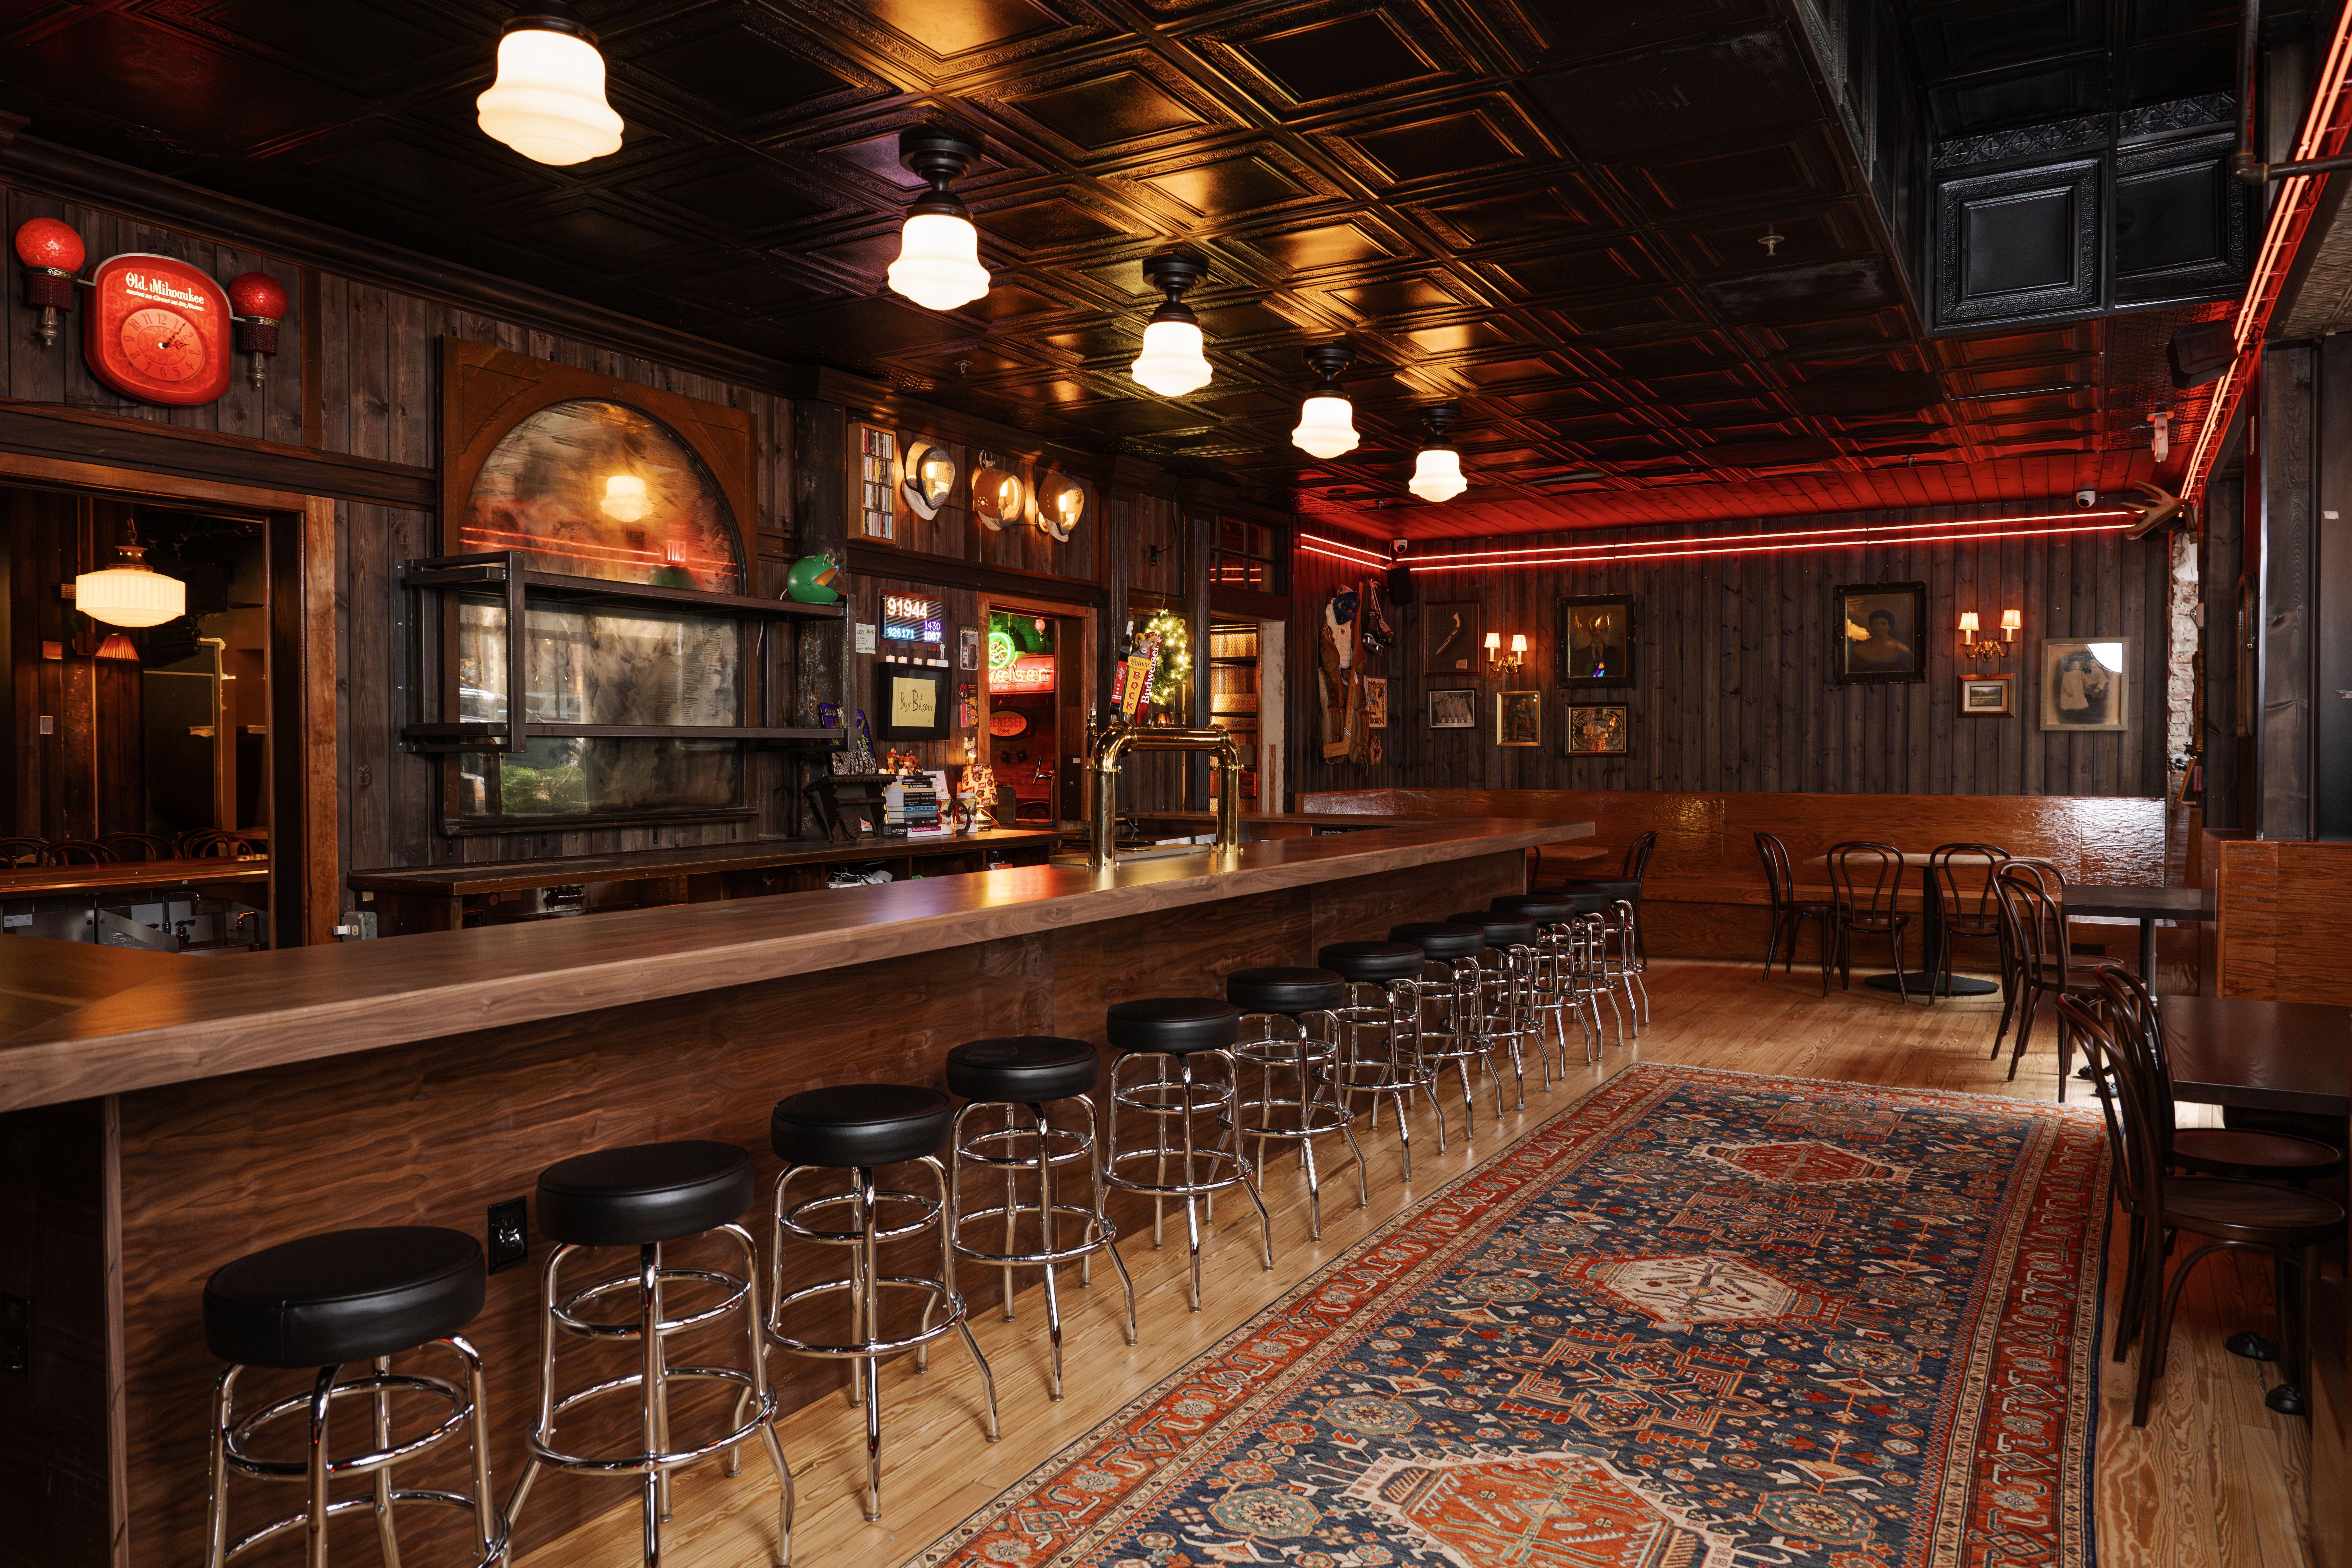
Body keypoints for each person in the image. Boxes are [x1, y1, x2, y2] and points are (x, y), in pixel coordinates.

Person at [1847, 605, 1913, 674]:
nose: (1879, 627)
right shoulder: (1859, 649)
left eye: (1883, 624)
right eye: (1875, 624)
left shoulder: (1900, 648)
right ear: (1871, 626)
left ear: (1890, 626)